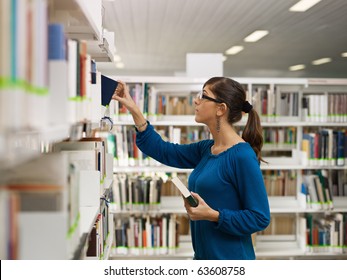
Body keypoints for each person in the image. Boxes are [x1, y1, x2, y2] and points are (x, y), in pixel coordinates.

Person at [112, 77, 270, 260]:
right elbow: (165, 152)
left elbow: (260, 218)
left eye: (203, 96)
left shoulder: (242, 156)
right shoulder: (207, 149)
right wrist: (134, 109)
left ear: (221, 109)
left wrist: (213, 215)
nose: (196, 100)